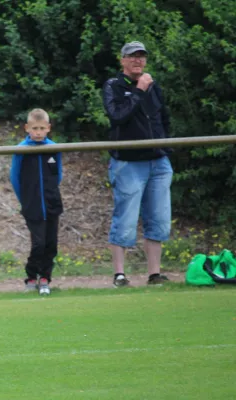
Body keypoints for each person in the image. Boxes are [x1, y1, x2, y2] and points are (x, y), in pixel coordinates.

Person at [102, 41, 173, 287]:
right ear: (122, 60)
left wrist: (164, 145)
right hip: (129, 164)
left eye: (141, 57)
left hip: (158, 162)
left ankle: (154, 274)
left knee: (160, 219)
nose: (137, 61)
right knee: (126, 218)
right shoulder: (114, 86)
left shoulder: (154, 86)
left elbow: (163, 118)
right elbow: (117, 116)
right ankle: (119, 275)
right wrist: (138, 91)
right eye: (132, 57)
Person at [10, 108, 63, 296]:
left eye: (42, 128)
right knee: (38, 243)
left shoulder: (54, 148)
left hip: (51, 204)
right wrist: (26, 200)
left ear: (48, 128)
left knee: (51, 244)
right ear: (27, 128)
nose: (38, 132)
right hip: (32, 206)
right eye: (35, 128)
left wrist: (50, 194)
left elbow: (58, 175)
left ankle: (45, 278)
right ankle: (31, 276)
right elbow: (15, 177)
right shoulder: (21, 150)